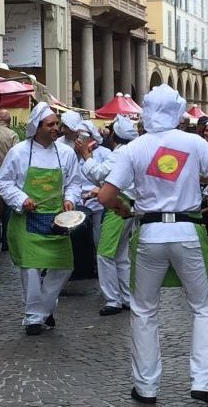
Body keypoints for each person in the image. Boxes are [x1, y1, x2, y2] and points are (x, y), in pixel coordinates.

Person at [98, 84, 208, 407]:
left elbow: (106, 196)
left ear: (146, 112)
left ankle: (146, 388)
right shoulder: (193, 142)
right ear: (178, 112)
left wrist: (122, 208)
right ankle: (204, 381)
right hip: (189, 231)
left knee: (144, 310)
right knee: (205, 307)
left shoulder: (134, 148)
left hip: (148, 234)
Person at [0, 102, 82, 335]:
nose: (56, 128)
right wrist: (22, 199)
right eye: (51, 124)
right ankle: (34, 319)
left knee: (63, 267)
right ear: (37, 127)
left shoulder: (66, 153)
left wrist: (70, 199)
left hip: (57, 221)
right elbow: (3, 182)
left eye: (57, 124)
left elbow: (74, 183)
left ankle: (42, 310)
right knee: (31, 270)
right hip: (28, 221)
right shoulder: (19, 152)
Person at [79, 115, 139, 315]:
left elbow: (98, 173)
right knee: (121, 255)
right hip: (129, 204)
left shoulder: (119, 154)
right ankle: (126, 298)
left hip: (118, 205)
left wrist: (86, 156)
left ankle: (113, 300)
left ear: (113, 135)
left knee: (104, 254)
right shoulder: (132, 151)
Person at [0, 109, 20, 252]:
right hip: (8, 178)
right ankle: (6, 243)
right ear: (8, 122)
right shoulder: (12, 135)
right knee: (7, 212)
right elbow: (18, 158)